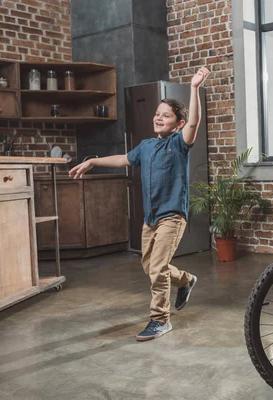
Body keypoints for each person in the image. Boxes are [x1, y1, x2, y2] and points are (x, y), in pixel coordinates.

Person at [69, 67, 211, 341]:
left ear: (178, 124)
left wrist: (194, 88)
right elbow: (123, 159)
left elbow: (194, 123)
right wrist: (93, 161)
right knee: (150, 266)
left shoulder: (179, 143)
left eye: (166, 115)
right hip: (150, 217)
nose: (159, 117)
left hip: (172, 216)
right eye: (157, 113)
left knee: (157, 268)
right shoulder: (145, 146)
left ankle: (160, 320)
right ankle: (184, 279)